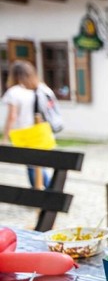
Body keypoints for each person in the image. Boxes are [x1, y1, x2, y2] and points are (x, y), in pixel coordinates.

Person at [1, 60, 56, 188]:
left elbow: (12, 116)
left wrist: (5, 137)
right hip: (44, 130)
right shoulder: (43, 89)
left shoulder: (14, 92)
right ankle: (47, 193)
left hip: (26, 132)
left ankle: (43, 194)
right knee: (39, 165)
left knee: (33, 166)